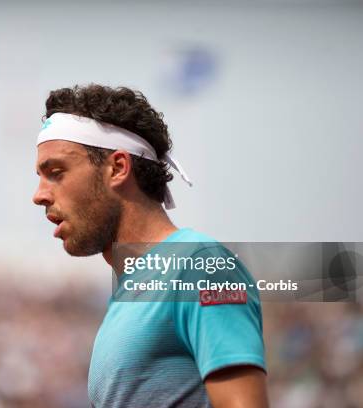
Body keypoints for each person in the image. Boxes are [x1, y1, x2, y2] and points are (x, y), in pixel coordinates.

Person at [32, 84, 268, 407]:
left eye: (56, 173)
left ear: (118, 167)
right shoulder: (126, 297)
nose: (39, 195)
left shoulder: (200, 266)